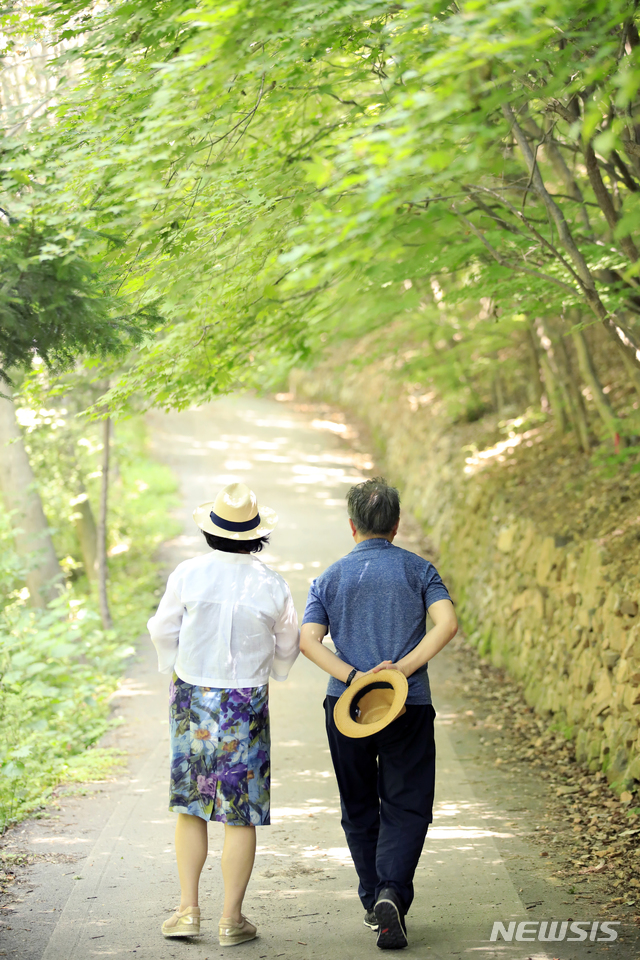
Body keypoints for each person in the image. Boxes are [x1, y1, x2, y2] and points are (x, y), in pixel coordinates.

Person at [300, 477, 457, 951]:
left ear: (352, 526)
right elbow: (447, 624)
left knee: (359, 805)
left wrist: (353, 678)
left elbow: (309, 640)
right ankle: (391, 891)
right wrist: (402, 671)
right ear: (396, 524)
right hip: (406, 704)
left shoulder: (328, 578)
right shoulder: (418, 570)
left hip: (348, 708)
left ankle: (374, 898)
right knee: (407, 804)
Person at [148, 482, 299, 946]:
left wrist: (173, 664)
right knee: (241, 812)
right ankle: (231, 919)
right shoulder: (271, 583)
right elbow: (289, 643)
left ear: (211, 531)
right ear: (256, 534)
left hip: (193, 697)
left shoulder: (189, 574)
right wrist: (270, 667)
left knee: (193, 805)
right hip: (246, 702)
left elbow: (162, 628)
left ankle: (188, 910)